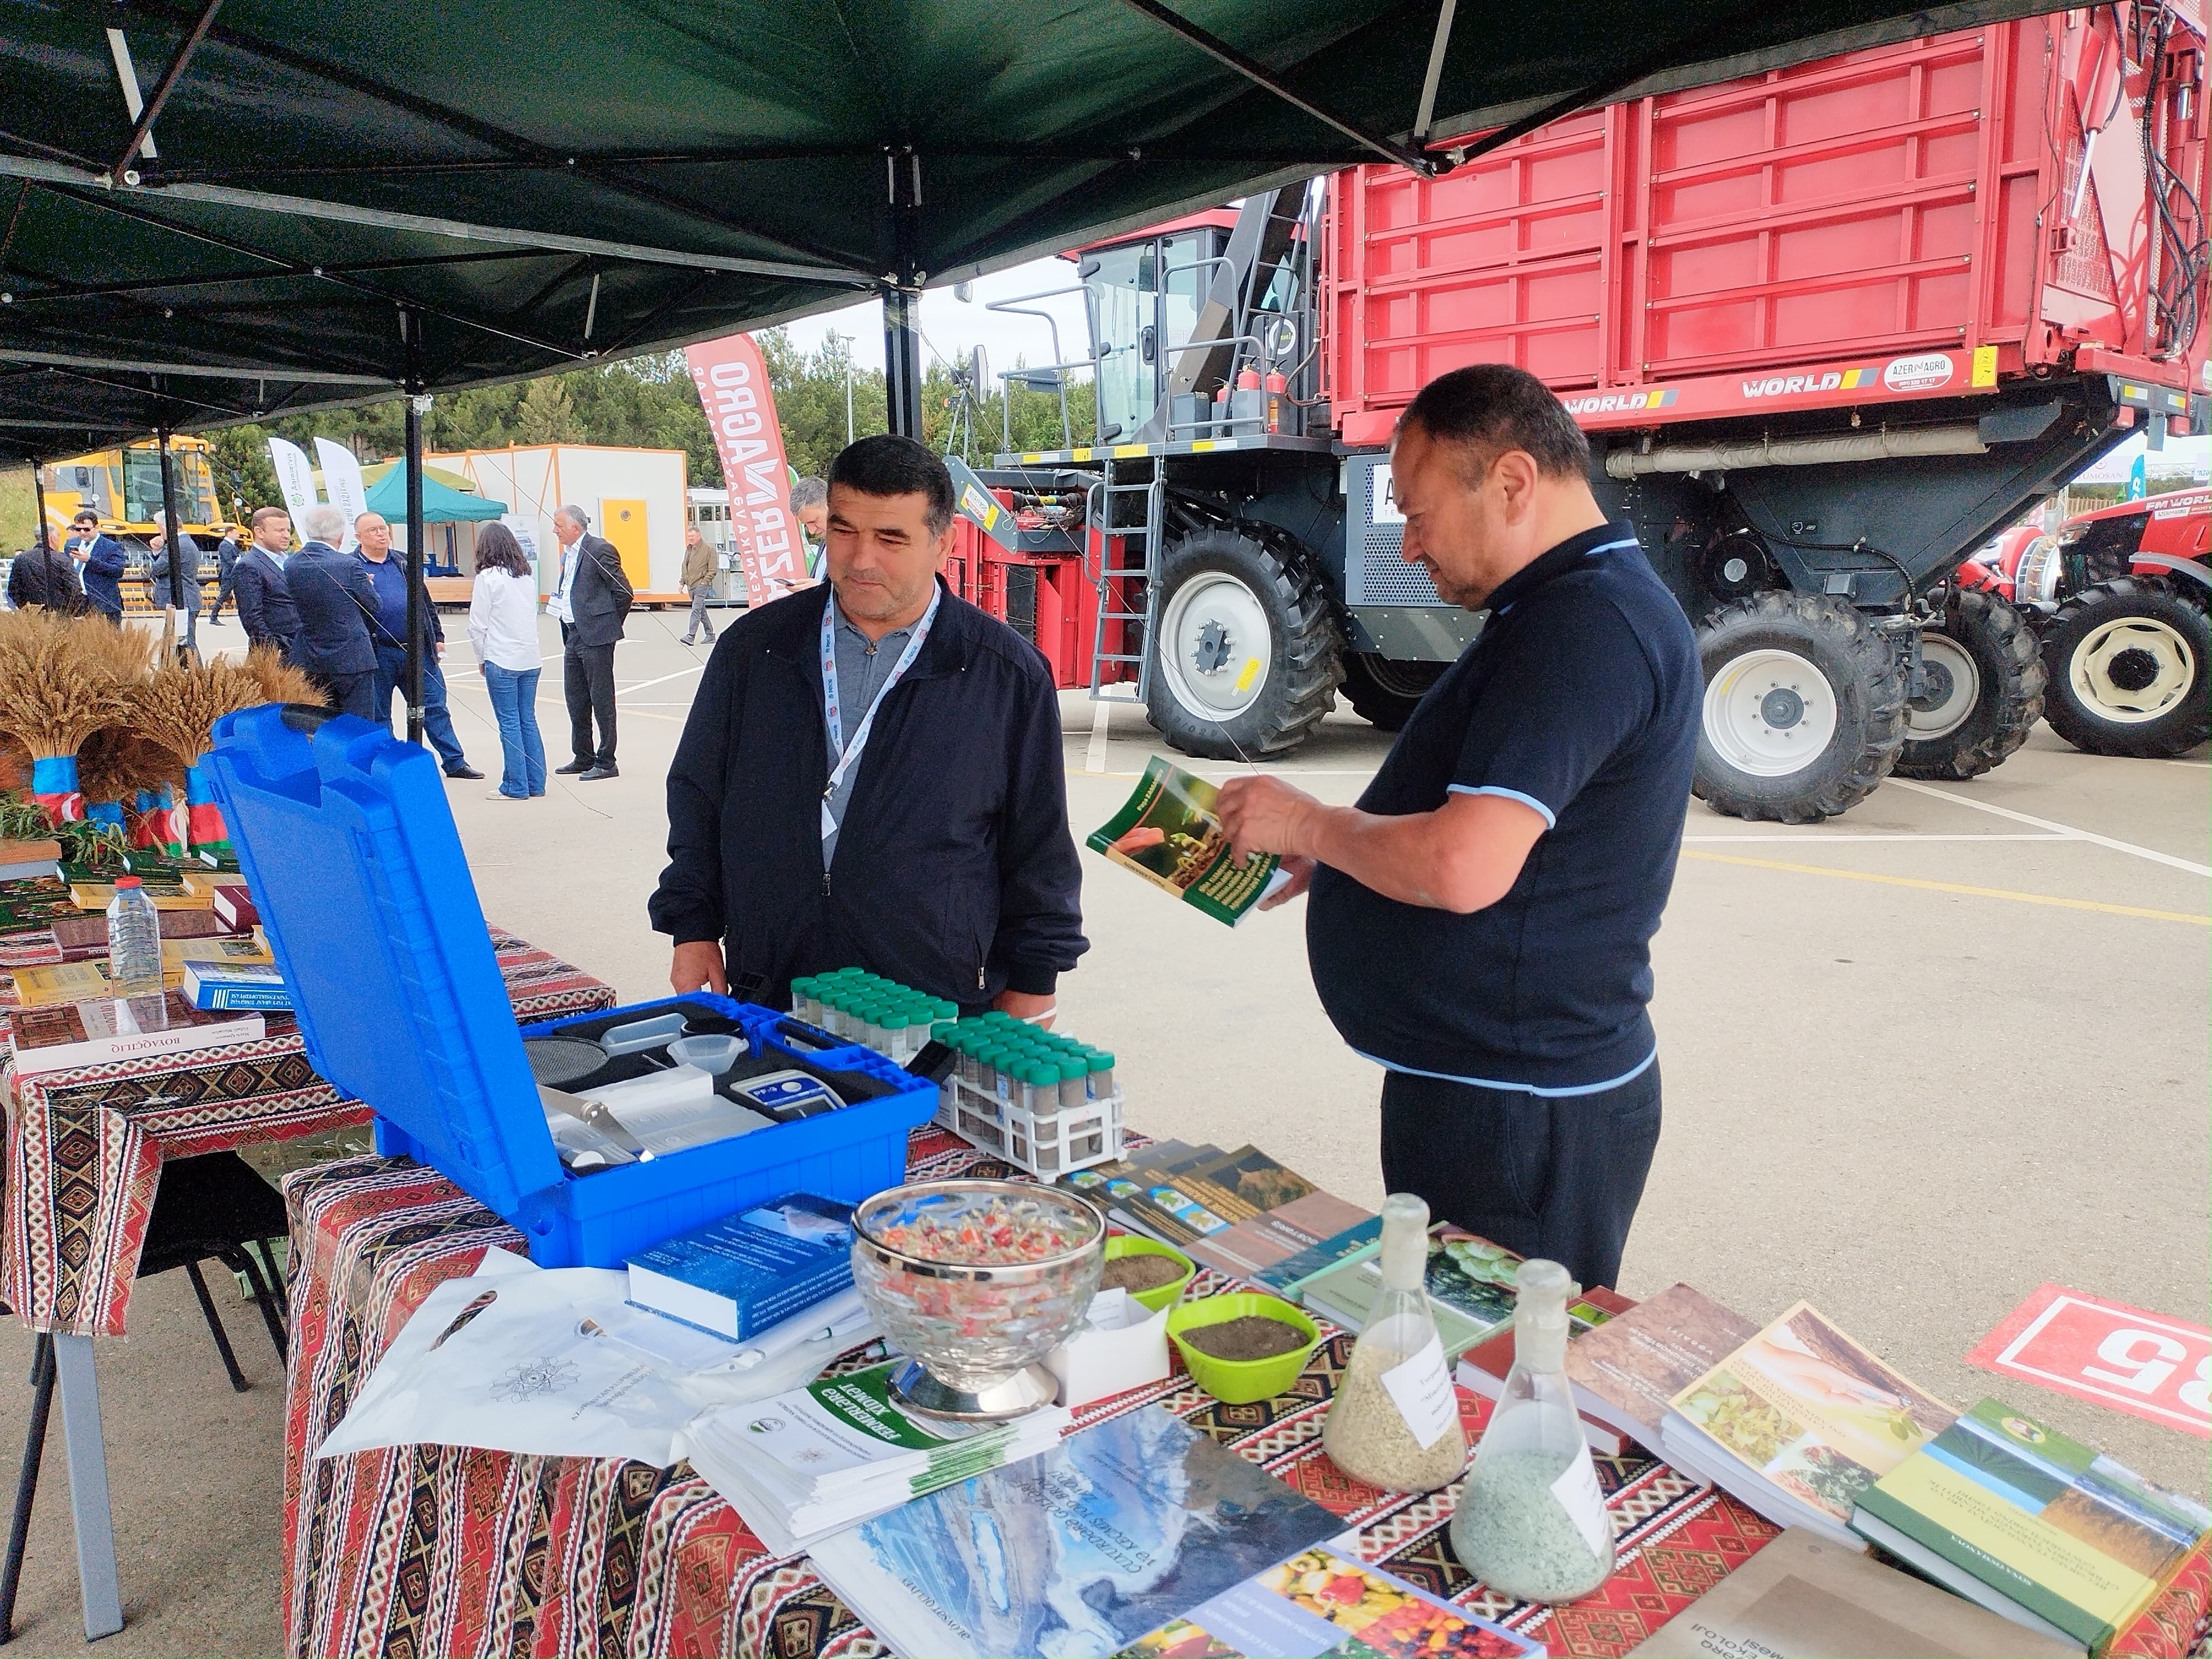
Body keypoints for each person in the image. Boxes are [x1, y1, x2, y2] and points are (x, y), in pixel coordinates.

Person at [1215, 364, 1699, 1292]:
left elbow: (1467, 865)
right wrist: (1352, 856)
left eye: (1419, 510)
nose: (1410, 541)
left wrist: (1315, 825)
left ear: (1513, 483)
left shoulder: (1585, 628)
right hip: (1496, 1092)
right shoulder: (1569, 608)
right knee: (1455, 1359)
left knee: (1491, 1382)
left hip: (1518, 1114)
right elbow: (1484, 831)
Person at [652, 434, 1088, 1015]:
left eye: (890, 539)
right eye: (844, 530)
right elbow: (698, 797)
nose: (861, 560)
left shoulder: (1004, 674)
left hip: (935, 1002)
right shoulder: (753, 651)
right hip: (773, 985)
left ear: (942, 544)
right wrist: (694, 926)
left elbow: (1038, 848)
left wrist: (1035, 983)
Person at [354, 510, 482, 779]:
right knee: (380, 713)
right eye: (373, 530)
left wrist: (437, 637)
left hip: (418, 650)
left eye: (383, 528)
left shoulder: (402, 561)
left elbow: (425, 603)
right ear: (359, 537)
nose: (381, 534)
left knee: (435, 707)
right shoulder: (352, 567)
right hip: (379, 652)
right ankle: (390, 767)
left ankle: (455, 762)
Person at [547, 505, 630, 780]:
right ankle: (583, 756)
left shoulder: (599, 549)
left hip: (596, 636)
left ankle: (607, 761)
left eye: (558, 525)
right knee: (576, 699)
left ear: (575, 527)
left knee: (601, 699)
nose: (554, 530)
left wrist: (607, 624)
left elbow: (623, 592)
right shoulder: (569, 555)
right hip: (572, 634)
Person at [468, 523, 546, 802]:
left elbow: (477, 626)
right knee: (528, 719)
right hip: (530, 657)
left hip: (501, 657)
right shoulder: (526, 577)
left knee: (509, 722)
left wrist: (480, 658)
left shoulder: (487, 578)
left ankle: (515, 785)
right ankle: (536, 782)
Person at [285, 504, 380, 719]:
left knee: (318, 722)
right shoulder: (348, 564)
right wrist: (368, 586)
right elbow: (374, 605)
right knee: (358, 725)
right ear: (341, 535)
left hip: (310, 655)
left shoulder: (291, 564)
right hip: (352, 657)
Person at [233, 506, 302, 660]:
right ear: (260, 532)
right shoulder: (248, 566)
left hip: (301, 649)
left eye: (287, 530)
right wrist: (276, 649)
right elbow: (252, 617)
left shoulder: (290, 562)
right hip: (276, 656)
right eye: (279, 531)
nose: (286, 536)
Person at [63, 511, 127, 623]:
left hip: (103, 603)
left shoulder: (111, 546)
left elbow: (118, 571)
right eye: (79, 529)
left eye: (87, 529)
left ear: (97, 527)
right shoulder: (71, 544)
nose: (82, 533)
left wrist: (90, 560)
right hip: (78, 601)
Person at [6, 530, 85, 613]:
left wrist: (25, 606)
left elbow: (13, 588)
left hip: (31, 614)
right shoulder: (61, 559)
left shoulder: (21, 558)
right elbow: (75, 587)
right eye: (58, 537)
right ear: (53, 538)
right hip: (60, 613)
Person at [146, 528, 203, 623]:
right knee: (176, 635)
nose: (159, 532)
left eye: (160, 528)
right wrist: (158, 551)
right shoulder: (185, 542)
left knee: (182, 636)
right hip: (185, 599)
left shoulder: (176, 545)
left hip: (182, 600)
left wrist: (158, 553)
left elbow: (157, 570)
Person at [679, 523, 719, 645]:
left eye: (693, 536)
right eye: (689, 536)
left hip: (701, 585)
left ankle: (691, 636)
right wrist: (682, 582)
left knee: (696, 609)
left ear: (699, 536)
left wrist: (704, 582)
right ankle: (710, 634)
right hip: (691, 585)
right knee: (701, 611)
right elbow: (685, 565)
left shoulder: (709, 550)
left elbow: (713, 569)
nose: (690, 539)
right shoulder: (689, 549)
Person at [790, 476, 828, 579]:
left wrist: (819, 588)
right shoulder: (826, 545)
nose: (811, 531)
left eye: (813, 521)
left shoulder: (857, 544)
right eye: (806, 525)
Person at [207, 529, 244, 623]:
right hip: (228, 575)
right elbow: (229, 561)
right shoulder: (225, 545)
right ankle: (213, 616)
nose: (238, 535)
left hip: (234, 574)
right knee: (223, 595)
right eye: (236, 533)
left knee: (241, 595)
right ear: (229, 533)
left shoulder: (232, 545)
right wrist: (240, 565)